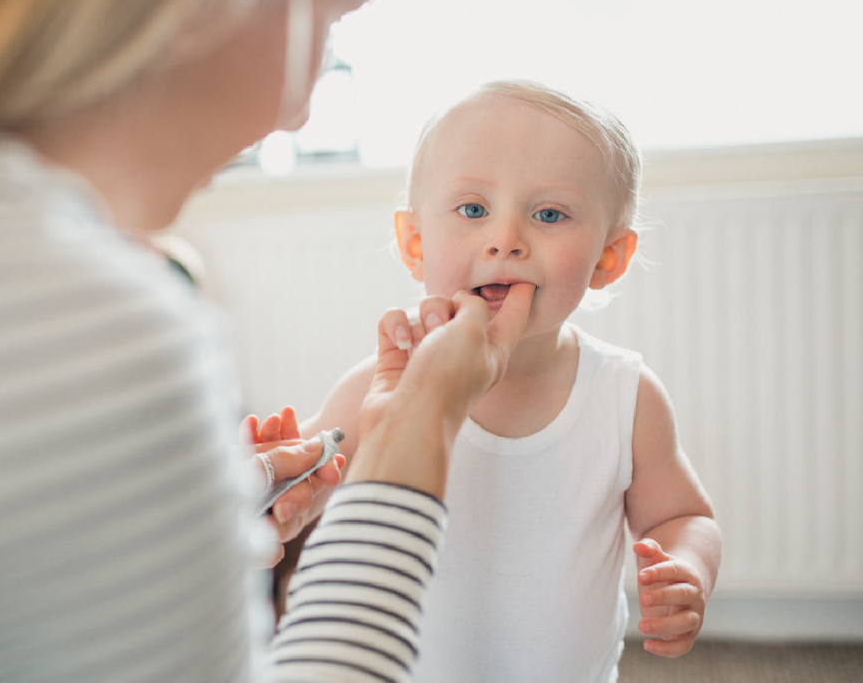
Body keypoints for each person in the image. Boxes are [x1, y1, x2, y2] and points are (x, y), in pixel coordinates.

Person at [0, 0, 535, 681]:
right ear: (208, 1)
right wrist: (414, 439)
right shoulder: (66, 315)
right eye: (330, 14)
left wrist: (167, 531)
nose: (302, 110)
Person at [261, 80, 723, 682]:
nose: (506, 239)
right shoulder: (383, 389)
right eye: (473, 210)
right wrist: (283, 486)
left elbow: (684, 515)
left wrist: (685, 568)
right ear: (416, 243)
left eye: (549, 214)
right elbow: (319, 484)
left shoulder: (625, 396)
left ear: (609, 258)